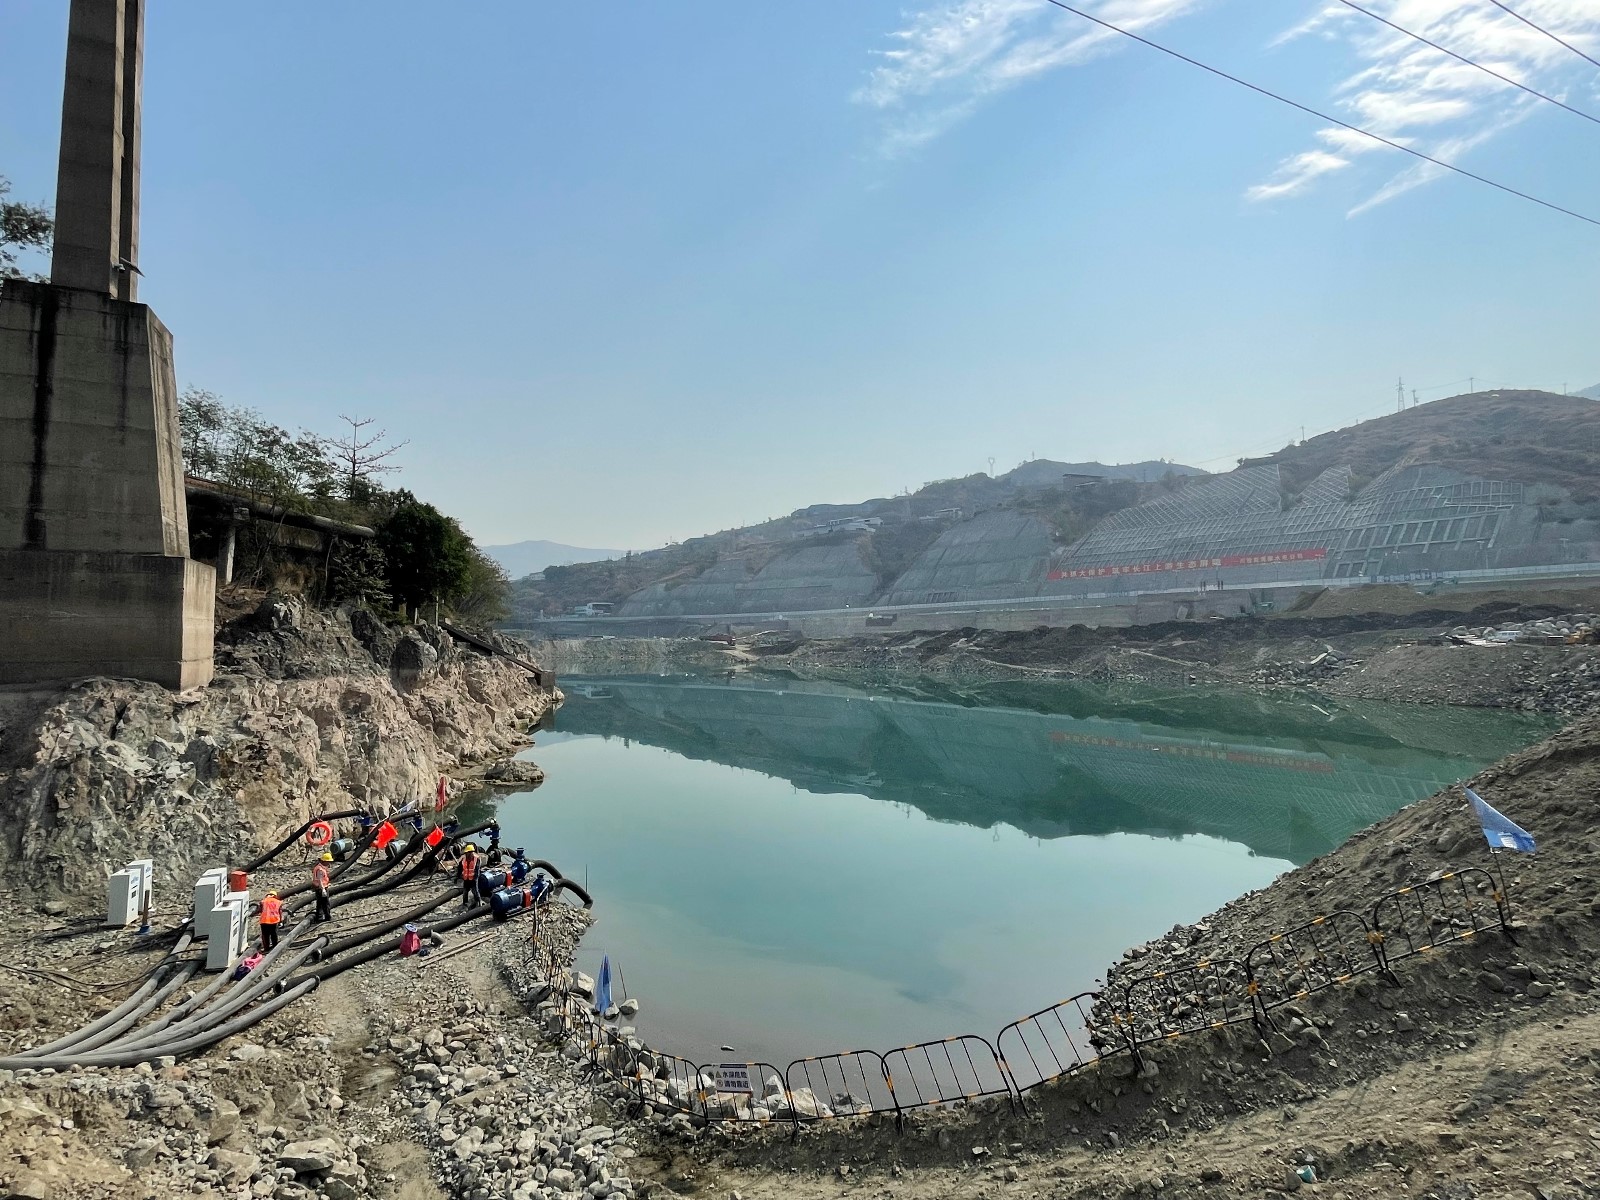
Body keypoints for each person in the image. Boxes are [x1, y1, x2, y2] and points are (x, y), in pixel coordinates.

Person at [312, 852, 333, 922]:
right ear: (324, 861)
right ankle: (327, 917)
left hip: (319, 888)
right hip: (321, 888)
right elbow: (320, 880)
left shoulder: (319, 867)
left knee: (320, 903)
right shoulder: (320, 870)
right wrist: (323, 889)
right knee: (325, 903)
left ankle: (319, 917)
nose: (329, 863)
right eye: (328, 862)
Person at [458, 843, 480, 909]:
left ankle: (478, 903)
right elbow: (460, 868)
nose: (470, 854)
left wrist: (475, 878)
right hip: (466, 878)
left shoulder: (476, 859)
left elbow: (477, 869)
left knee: (475, 891)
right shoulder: (463, 859)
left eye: (471, 852)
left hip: (473, 879)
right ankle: (465, 904)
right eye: (468, 852)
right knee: (465, 892)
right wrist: (458, 876)